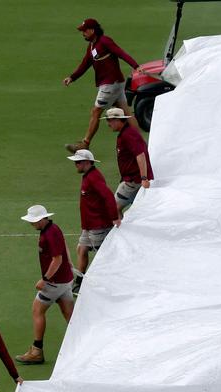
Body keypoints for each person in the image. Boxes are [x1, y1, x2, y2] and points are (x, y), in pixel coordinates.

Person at [63, 17, 140, 153]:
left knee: (96, 111)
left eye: (85, 31)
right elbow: (85, 64)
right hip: (116, 83)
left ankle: (85, 143)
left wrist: (135, 66)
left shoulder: (104, 41)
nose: (83, 33)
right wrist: (72, 77)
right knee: (126, 112)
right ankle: (140, 142)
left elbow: (120, 53)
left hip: (110, 84)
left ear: (92, 30)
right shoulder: (92, 46)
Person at [16, 205, 75, 365]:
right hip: (65, 280)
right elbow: (64, 248)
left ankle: (36, 351)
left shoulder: (49, 233)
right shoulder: (53, 228)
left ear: (42, 219)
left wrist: (45, 279)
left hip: (55, 283)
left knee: (37, 310)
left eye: (34, 221)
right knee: (70, 315)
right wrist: (69, 264)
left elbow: (57, 259)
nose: (31, 224)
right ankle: (84, 344)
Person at [68, 149, 121, 294]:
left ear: (86, 162)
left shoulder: (94, 177)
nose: (75, 165)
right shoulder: (88, 176)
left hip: (98, 226)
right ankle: (79, 281)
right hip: (88, 226)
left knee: (101, 257)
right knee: (81, 249)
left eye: (78, 162)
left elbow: (109, 196)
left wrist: (115, 217)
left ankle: (107, 285)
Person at [103, 107, 154, 213]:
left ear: (117, 120)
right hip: (132, 179)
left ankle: (121, 229)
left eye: (109, 120)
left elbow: (140, 155)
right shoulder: (127, 133)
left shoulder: (128, 134)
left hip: (134, 181)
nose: (108, 124)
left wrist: (144, 178)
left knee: (114, 209)